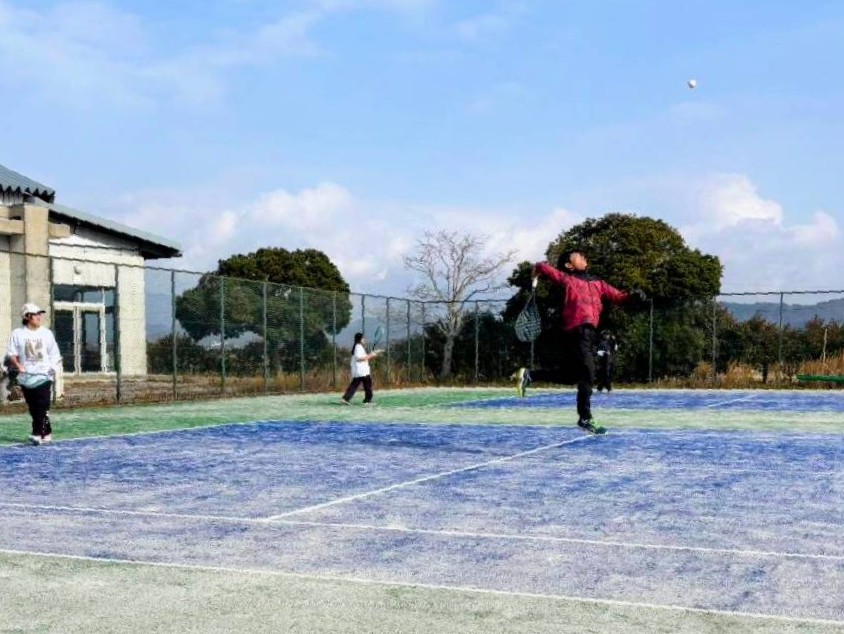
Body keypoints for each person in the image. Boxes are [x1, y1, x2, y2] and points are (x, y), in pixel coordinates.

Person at [513, 251, 644, 434]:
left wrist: (632, 296)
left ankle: (530, 376)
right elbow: (542, 266)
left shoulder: (598, 283)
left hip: (588, 333)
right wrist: (536, 271)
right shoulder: (567, 279)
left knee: (570, 375)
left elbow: (618, 297)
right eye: (578, 255)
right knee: (588, 371)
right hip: (576, 331)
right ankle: (585, 418)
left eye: (584, 255)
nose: (583, 256)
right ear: (569, 265)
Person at [6, 303, 62, 445]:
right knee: (34, 408)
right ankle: (46, 432)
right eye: (35, 314)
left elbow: (54, 353)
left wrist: (52, 368)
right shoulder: (17, 334)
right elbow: (12, 353)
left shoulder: (46, 333)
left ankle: (36, 433)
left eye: (39, 314)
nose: (39, 317)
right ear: (27, 316)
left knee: (41, 403)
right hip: (26, 377)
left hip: (44, 375)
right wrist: (18, 365)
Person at [341, 332, 380, 405]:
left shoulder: (358, 347)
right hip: (362, 371)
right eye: (363, 338)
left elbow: (363, 357)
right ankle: (367, 400)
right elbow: (360, 358)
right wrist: (371, 355)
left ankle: (345, 399)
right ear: (360, 339)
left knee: (355, 385)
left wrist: (371, 354)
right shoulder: (358, 347)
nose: (364, 339)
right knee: (367, 386)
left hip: (360, 371)